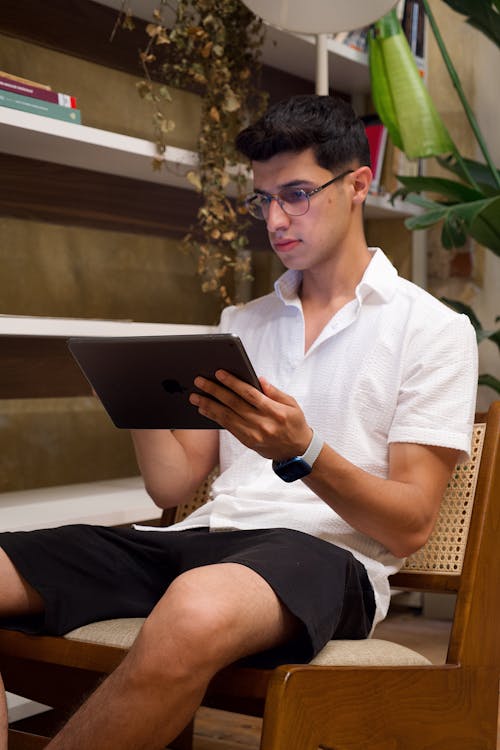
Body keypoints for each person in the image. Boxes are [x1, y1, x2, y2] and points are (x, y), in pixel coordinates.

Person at [0, 94, 477, 749]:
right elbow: (172, 490)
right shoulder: (241, 324)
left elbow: (410, 524)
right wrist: (137, 393)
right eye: (262, 199)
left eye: (298, 194)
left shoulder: (432, 331)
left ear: (359, 185)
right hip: (199, 543)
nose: (276, 219)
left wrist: (303, 449)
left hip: (326, 560)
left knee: (195, 606)